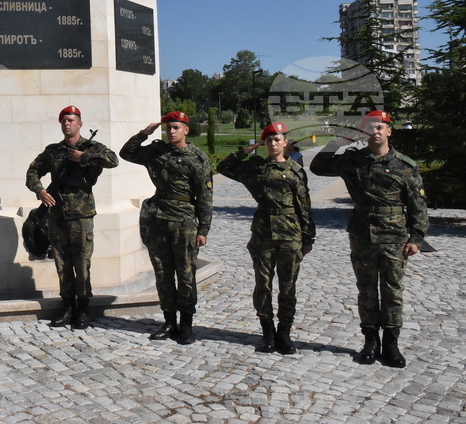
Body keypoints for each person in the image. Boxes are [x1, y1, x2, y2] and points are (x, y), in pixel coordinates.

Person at [310, 110, 428, 368]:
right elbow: (317, 167)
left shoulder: (405, 165)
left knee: (393, 291)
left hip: (394, 236)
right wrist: (342, 140)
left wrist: (416, 238)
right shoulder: (353, 160)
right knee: (366, 290)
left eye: (380, 126)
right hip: (363, 234)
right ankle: (370, 341)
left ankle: (392, 343)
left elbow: (418, 205)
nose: (375, 131)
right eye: (369, 127)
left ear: (389, 131)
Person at [217, 122, 314, 355]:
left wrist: (308, 237)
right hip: (262, 233)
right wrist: (248, 150)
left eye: (277, 139)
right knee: (263, 285)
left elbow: (305, 206)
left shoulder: (296, 170)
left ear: (285, 143)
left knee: (288, 286)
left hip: (291, 234)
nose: (273, 143)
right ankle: (267, 333)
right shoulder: (254, 168)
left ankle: (285, 334)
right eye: (268, 140)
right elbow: (223, 166)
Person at [120, 111, 213, 345]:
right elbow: (126, 153)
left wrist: (203, 230)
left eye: (176, 127)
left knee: (185, 274)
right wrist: (144, 133)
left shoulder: (197, 159)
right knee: (162, 274)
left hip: (185, 222)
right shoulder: (156, 152)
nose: (171, 131)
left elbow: (204, 197)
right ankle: (169, 321)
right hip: (158, 221)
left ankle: (186, 325)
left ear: (186, 130)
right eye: (168, 127)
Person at [25, 106, 119, 330]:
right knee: (62, 264)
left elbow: (113, 160)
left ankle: (83, 310)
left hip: (82, 216)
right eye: (64, 121)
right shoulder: (53, 151)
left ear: (80, 124)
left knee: (82, 264)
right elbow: (32, 172)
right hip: (57, 216)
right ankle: (67, 308)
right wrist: (40, 191)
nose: (67, 124)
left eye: (71, 120)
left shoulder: (93, 147)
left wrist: (84, 157)